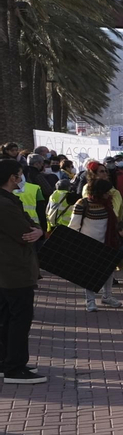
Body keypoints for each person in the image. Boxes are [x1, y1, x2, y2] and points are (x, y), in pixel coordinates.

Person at [0, 160, 46, 383]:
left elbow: (32, 227)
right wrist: (36, 232)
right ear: (12, 178)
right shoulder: (5, 204)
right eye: (19, 175)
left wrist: (37, 231)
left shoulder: (9, 201)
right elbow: (25, 232)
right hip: (14, 270)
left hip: (9, 270)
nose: (21, 179)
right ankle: (15, 367)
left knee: (7, 317)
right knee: (19, 318)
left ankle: (6, 361)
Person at [69, 178, 123, 311]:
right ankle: (90, 301)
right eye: (106, 191)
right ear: (99, 191)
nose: (109, 193)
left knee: (109, 271)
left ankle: (107, 296)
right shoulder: (82, 203)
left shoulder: (107, 203)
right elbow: (74, 225)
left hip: (107, 242)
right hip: (88, 244)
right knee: (90, 273)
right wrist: (76, 243)